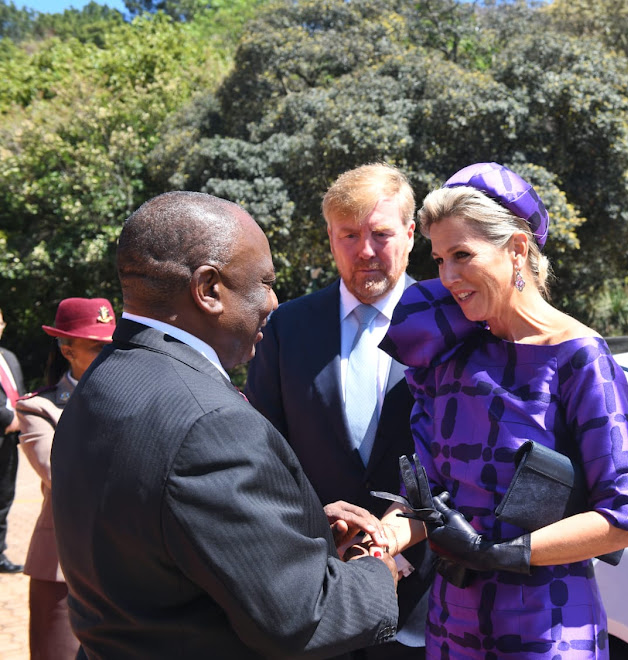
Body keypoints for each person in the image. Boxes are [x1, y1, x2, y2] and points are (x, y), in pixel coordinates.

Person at [50, 190, 401, 659]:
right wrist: (377, 565)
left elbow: (169, 530)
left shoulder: (103, 379)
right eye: (264, 282)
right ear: (209, 289)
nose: (275, 302)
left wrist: (303, 526)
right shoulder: (212, 425)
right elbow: (301, 618)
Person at [356, 162, 628, 659]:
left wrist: (499, 554)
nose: (447, 277)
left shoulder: (580, 357)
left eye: (462, 255)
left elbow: (622, 518)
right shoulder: (450, 355)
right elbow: (426, 499)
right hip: (453, 626)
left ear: (516, 248)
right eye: (440, 258)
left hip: (549, 628)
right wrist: (379, 540)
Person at [245, 163, 433, 659]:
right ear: (330, 236)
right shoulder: (286, 326)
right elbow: (264, 449)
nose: (365, 251)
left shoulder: (452, 322)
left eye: (380, 234)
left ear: (411, 234)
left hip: (426, 598)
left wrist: (402, 532)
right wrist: (315, 527)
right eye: (349, 235)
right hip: (313, 588)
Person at [16, 297, 116, 660]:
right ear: (67, 349)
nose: (108, 355)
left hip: (131, 561)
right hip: (62, 566)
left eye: (112, 345)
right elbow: (61, 475)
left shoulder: (134, 397)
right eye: (96, 347)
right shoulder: (38, 407)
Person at [0, 306, 26, 573]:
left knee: (4, 497)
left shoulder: (9, 357)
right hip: (5, 428)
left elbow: (19, 393)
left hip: (9, 443)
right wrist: (8, 419)